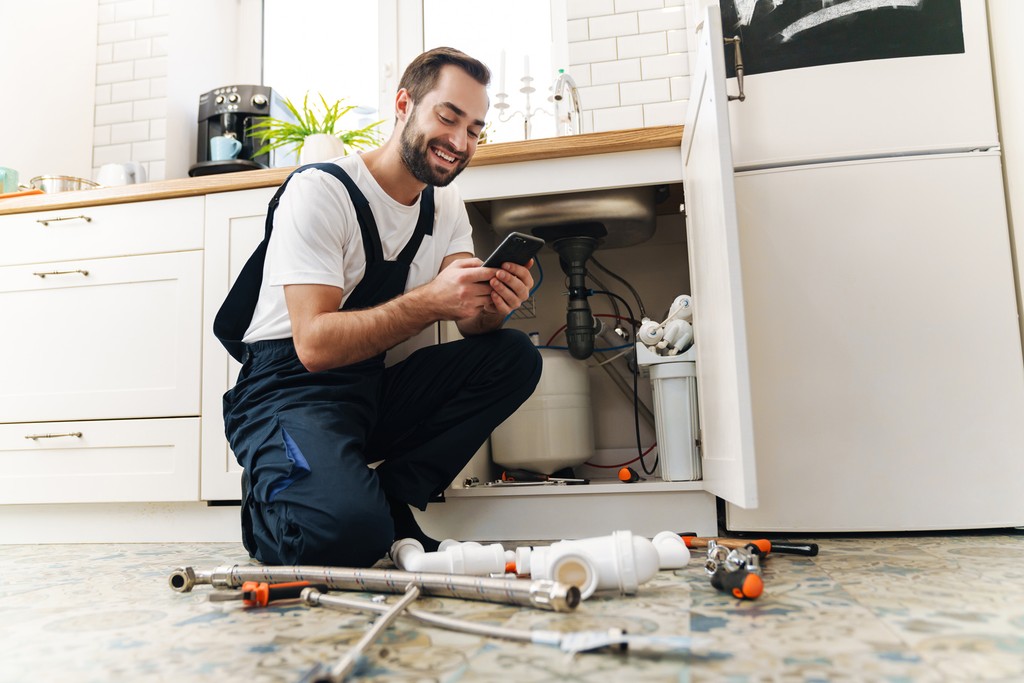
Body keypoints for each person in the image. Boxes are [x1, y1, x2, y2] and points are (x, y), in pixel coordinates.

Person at [214, 47, 542, 568]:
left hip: (367, 390)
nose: (459, 143)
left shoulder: (445, 204)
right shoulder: (322, 190)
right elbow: (315, 345)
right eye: (447, 117)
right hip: (286, 392)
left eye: (475, 130)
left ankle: (390, 496)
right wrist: (430, 300)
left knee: (514, 355)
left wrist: (495, 304)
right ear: (404, 104)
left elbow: (471, 322)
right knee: (345, 538)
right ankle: (274, 501)